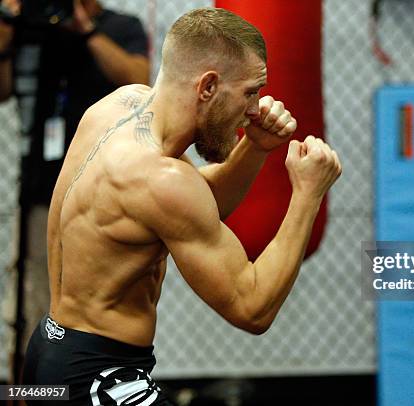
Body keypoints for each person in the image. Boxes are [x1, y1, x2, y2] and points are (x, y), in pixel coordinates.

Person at [22, 7, 341, 405]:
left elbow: (198, 204)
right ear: (207, 86)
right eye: (249, 91)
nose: (255, 109)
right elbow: (252, 308)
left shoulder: (120, 106)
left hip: (49, 355)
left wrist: (255, 146)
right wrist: (309, 195)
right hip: (96, 378)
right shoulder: (163, 180)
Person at [0, 0, 149, 381]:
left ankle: (77, 388)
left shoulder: (120, 26)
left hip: (104, 192)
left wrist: (87, 31)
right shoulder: (39, 29)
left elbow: (139, 78)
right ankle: (27, 396)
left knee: (82, 304)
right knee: (32, 300)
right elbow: (3, 90)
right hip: (43, 188)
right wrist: (7, 23)